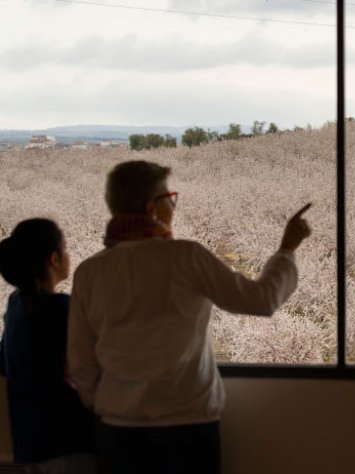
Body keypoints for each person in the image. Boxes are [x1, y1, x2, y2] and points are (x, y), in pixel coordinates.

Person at [67, 160, 312, 474]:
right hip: (186, 422)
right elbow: (261, 300)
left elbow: (80, 357)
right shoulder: (185, 257)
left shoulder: (90, 272)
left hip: (117, 428)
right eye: (169, 198)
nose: (173, 205)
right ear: (151, 208)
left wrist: (102, 402)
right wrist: (287, 249)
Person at [0, 218, 96, 473]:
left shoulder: (15, 305)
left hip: (29, 445)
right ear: (54, 259)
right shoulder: (61, 308)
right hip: (69, 441)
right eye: (65, 248)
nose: (68, 254)